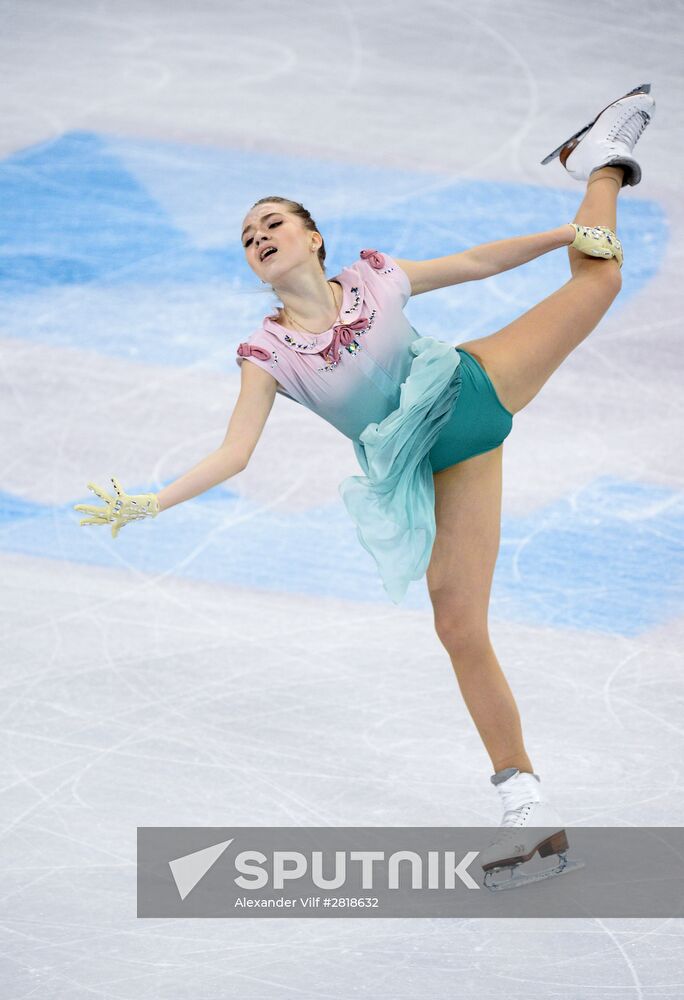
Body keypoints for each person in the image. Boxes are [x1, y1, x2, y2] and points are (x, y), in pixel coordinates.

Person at [74, 85, 655, 889]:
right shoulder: (266, 353)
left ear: (313, 237)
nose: (260, 237)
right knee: (458, 627)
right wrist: (149, 501)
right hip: (446, 464)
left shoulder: (376, 279)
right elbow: (234, 453)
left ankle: (600, 163)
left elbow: (479, 262)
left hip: (475, 388)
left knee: (597, 281)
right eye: (248, 237)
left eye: (273, 223)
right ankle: (529, 812)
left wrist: (568, 229)